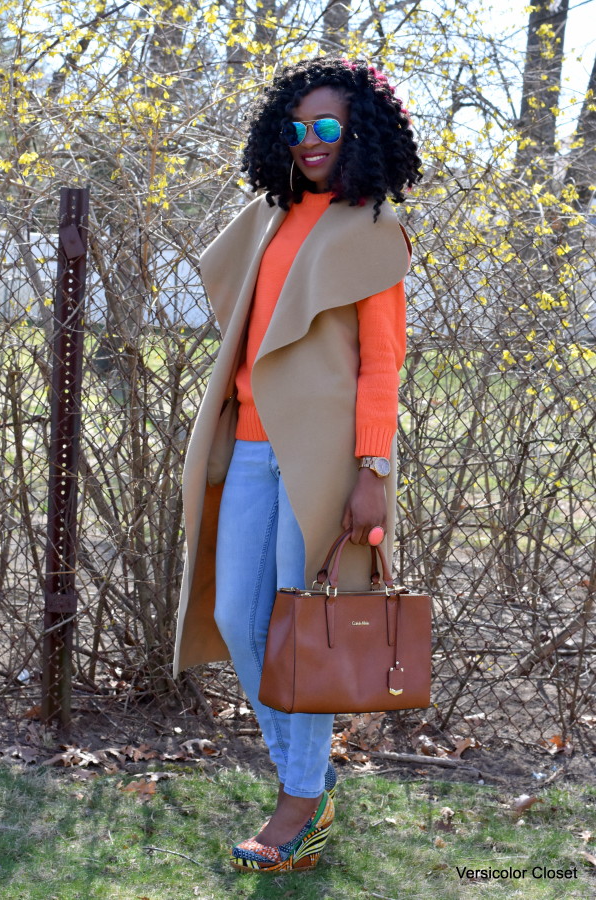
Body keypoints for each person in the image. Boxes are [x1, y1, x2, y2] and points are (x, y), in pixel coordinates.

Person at [173, 55, 422, 873]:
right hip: (250, 444)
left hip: (324, 463)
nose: (311, 141)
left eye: (329, 127)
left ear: (361, 134)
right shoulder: (268, 219)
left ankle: (298, 804)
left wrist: (372, 468)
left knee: (303, 631)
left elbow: (382, 364)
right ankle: (305, 783)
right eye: (298, 126)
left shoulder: (371, 230)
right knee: (247, 620)